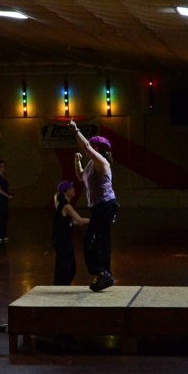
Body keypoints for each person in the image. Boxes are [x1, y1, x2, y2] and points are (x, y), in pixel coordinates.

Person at [69, 120, 119, 291]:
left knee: (90, 242)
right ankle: (106, 274)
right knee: (102, 241)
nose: (88, 148)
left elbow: (86, 147)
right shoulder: (91, 164)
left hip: (106, 205)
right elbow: (80, 176)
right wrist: (77, 161)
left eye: (91, 146)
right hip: (100, 207)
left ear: (97, 148)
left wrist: (76, 130)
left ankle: (101, 272)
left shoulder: (101, 162)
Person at [52, 180, 89, 285]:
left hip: (61, 240)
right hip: (63, 241)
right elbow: (80, 220)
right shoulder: (66, 206)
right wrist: (97, 220)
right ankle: (62, 286)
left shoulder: (60, 203)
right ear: (66, 191)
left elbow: (70, 221)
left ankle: (59, 286)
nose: (73, 190)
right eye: (71, 188)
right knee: (70, 267)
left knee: (62, 266)